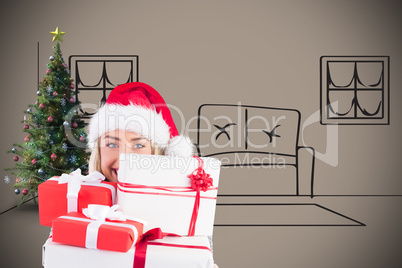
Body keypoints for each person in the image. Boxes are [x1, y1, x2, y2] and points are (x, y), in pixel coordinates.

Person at [87, 82, 219, 268]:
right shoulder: (80, 204)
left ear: (157, 153)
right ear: (98, 151)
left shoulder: (187, 213)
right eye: (111, 144)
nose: (124, 158)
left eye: (139, 145)